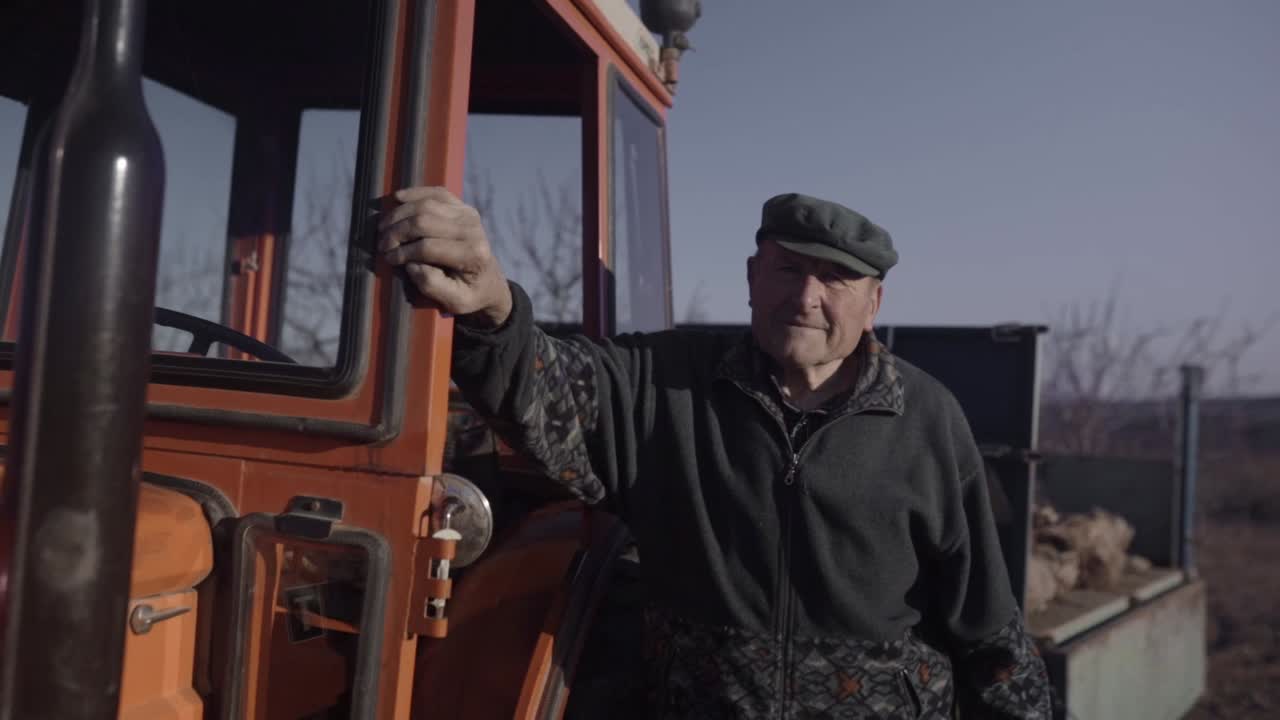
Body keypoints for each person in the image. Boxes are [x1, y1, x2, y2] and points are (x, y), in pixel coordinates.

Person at [379, 186, 1053, 718]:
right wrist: (492, 305)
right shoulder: (666, 382)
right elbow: (548, 383)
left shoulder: (927, 419)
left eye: (835, 279)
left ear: (873, 302)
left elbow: (987, 624)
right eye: (788, 269)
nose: (806, 297)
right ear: (754, 277)